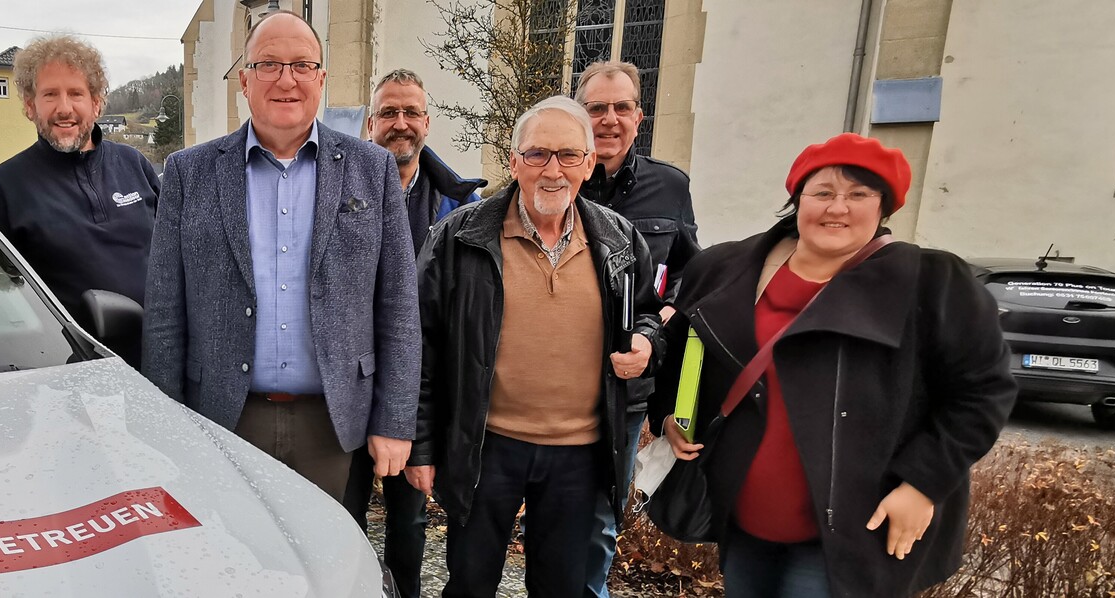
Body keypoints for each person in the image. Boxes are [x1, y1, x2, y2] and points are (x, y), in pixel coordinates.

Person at [650, 133, 1016, 597]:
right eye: (822, 192)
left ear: (884, 207)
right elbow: (681, 352)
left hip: (854, 527)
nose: (837, 208)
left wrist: (923, 484)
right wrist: (669, 414)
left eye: (858, 194)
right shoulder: (726, 267)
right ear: (797, 200)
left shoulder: (932, 283)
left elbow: (984, 391)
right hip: (744, 518)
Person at [142, 10, 420, 502]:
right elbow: (165, 311)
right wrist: (166, 422)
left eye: (301, 65)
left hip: (333, 424)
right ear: (244, 80)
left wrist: (396, 419)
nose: (286, 79)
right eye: (269, 64)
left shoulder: (371, 169)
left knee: (330, 569)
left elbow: (398, 305)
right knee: (230, 563)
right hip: (223, 416)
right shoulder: (189, 173)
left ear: (321, 78)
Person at [406, 96, 666, 598]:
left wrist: (647, 342)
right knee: (470, 583)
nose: (553, 170)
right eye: (537, 154)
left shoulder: (619, 239)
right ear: (513, 160)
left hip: (578, 455)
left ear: (589, 164)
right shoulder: (460, 237)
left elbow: (651, 313)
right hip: (487, 447)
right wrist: (421, 446)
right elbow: (420, 346)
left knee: (562, 588)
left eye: (569, 155)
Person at [343, 67, 485, 597]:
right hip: (350, 382)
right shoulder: (339, 193)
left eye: (410, 113)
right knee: (346, 510)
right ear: (370, 124)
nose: (399, 124)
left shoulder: (461, 206)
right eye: (388, 113)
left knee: (409, 518)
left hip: (420, 392)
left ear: (426, 122)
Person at [570, 60, 701, 597]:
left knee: (601, 518)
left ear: (639, 117)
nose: (608, 119)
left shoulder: (670, 188)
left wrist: (661, 322)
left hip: (626, 388)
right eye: (596, 108)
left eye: (621, 107)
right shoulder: (554, 175)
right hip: (556, 384)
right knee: (547, 512)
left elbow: (691, 279)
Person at [0, 35, 159, 367]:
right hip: (68, 375)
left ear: (97, 102)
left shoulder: (135, 166)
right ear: (30, 105)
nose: (64, 108)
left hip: (157, 368)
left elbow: (175, 260)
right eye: (50, 94)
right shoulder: (4, 189)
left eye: (76, 93)